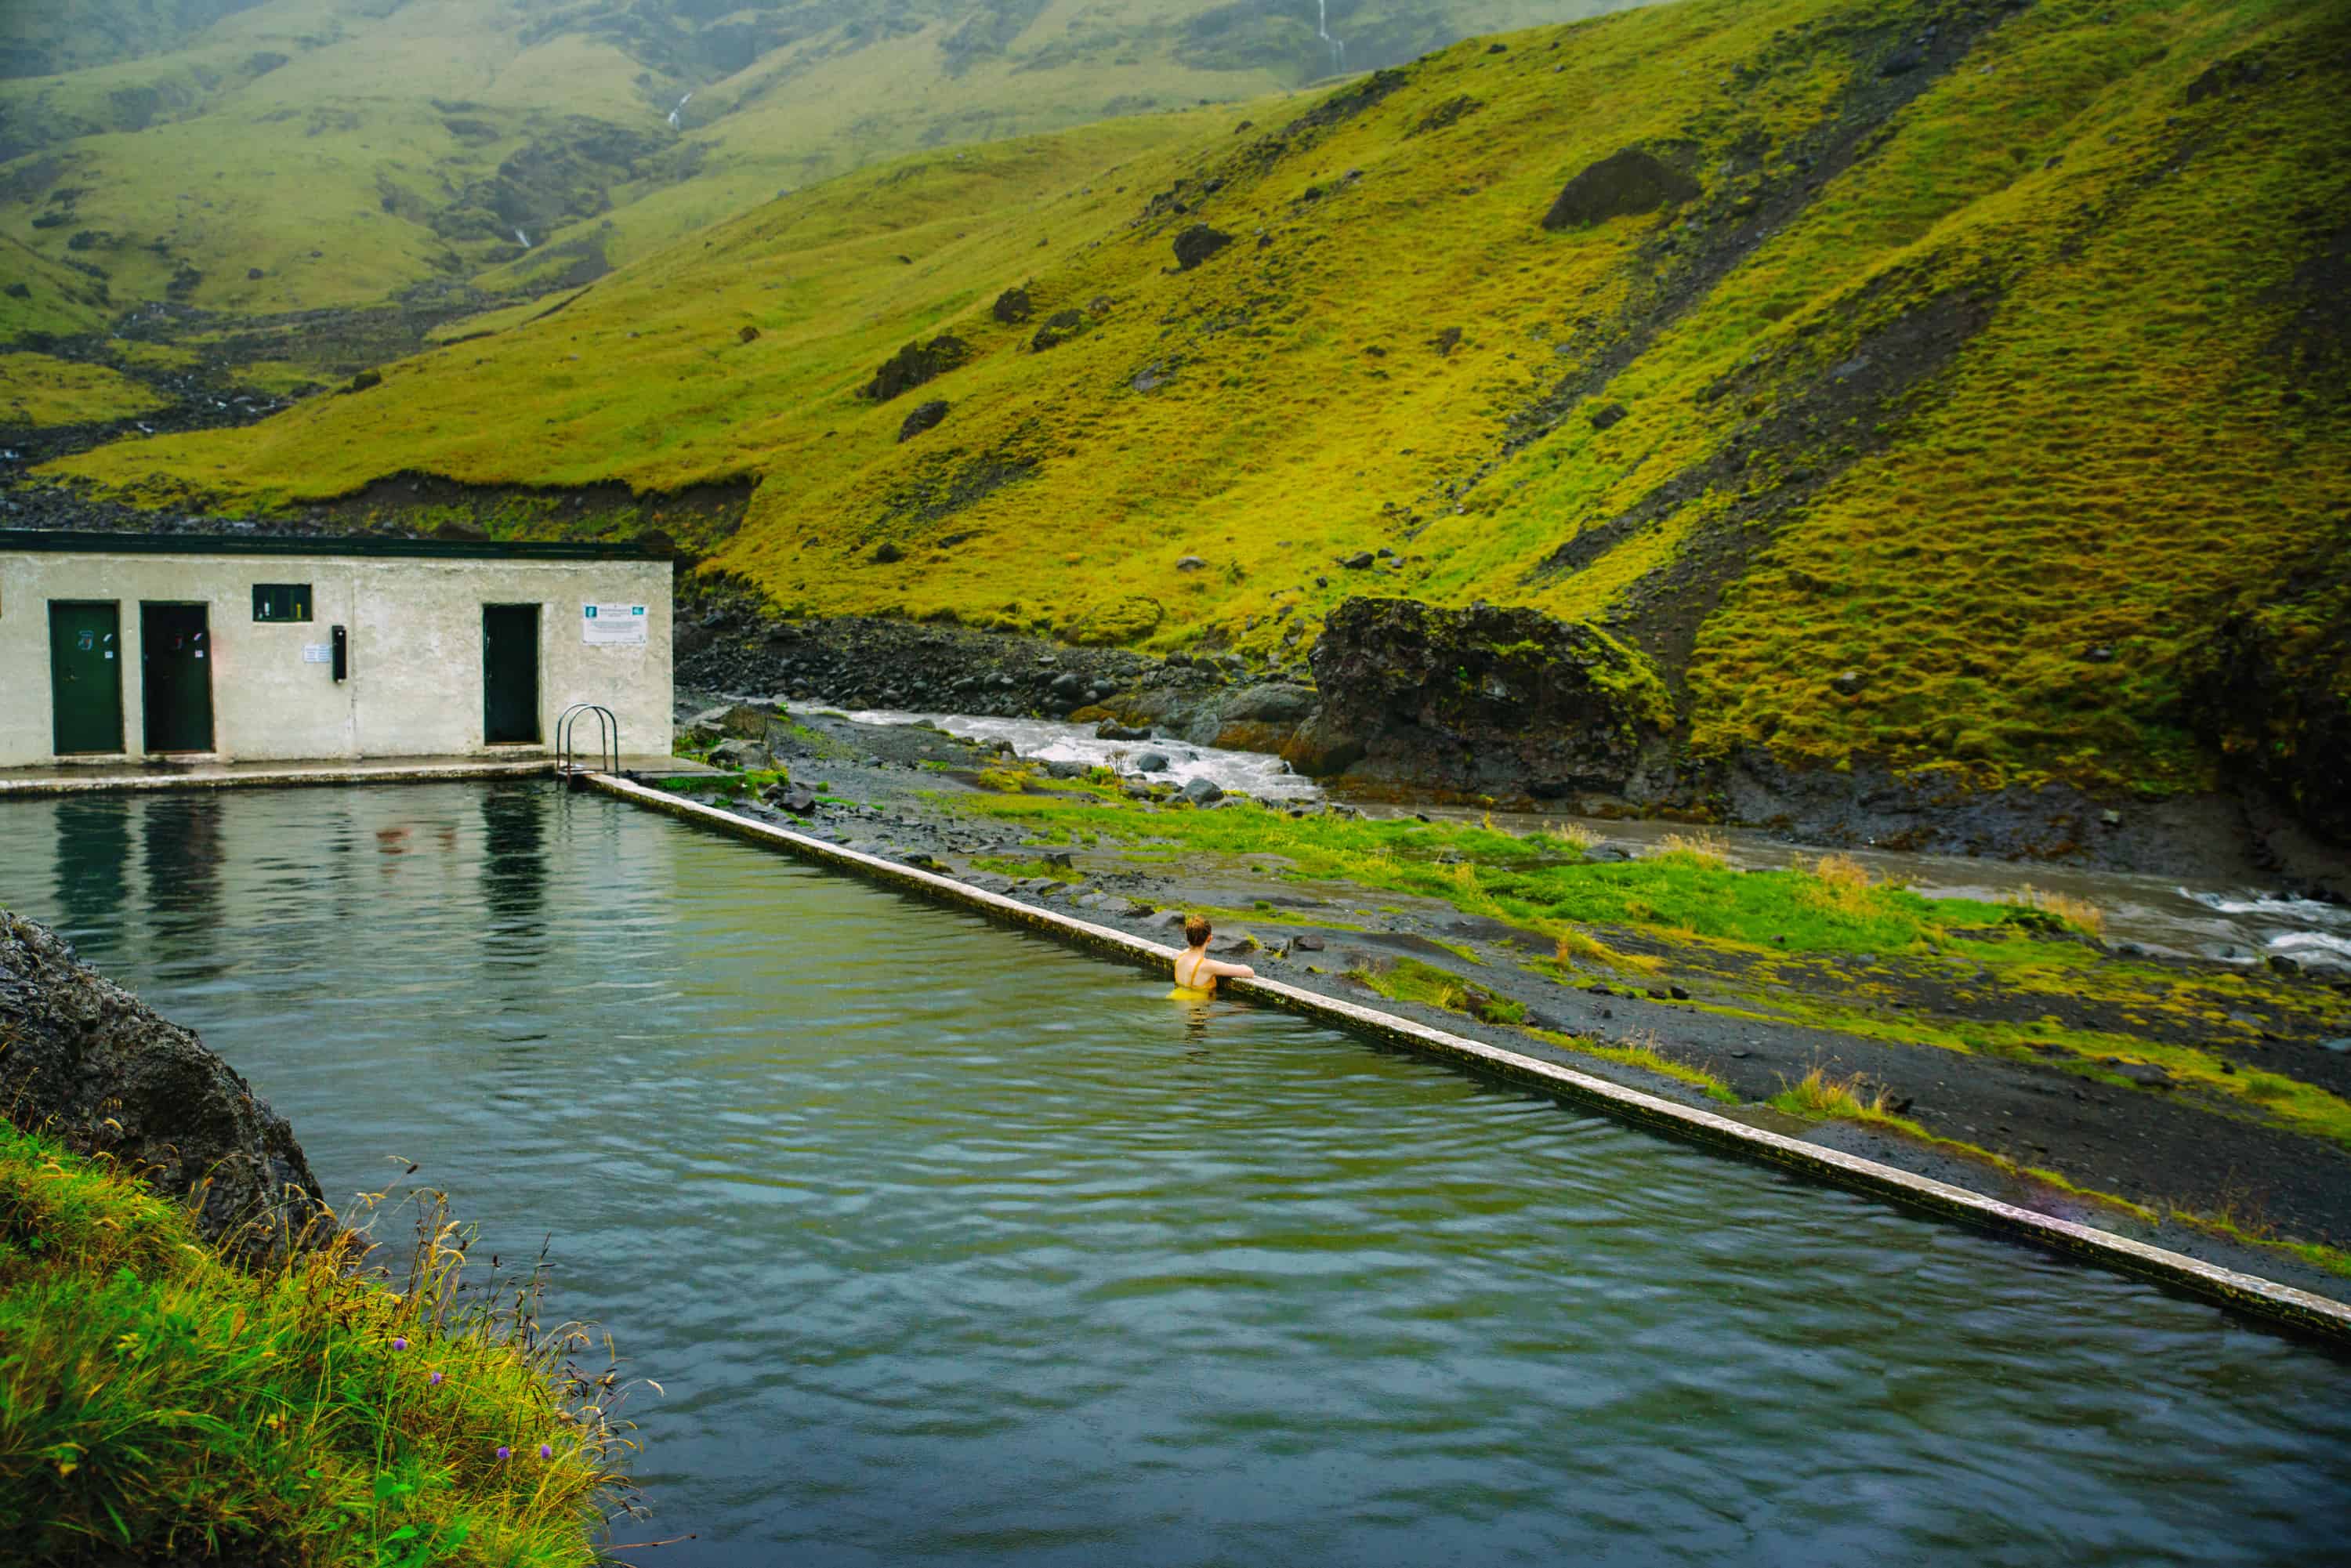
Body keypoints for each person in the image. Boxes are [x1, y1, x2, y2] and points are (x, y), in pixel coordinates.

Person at [1170, 915, 1255, 998]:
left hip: (1178, 1003)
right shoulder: (1207, 966)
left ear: (1187, 938)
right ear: (1210, 938)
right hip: (1197, 1010)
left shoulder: (1182, 955)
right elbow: (1249, 972)